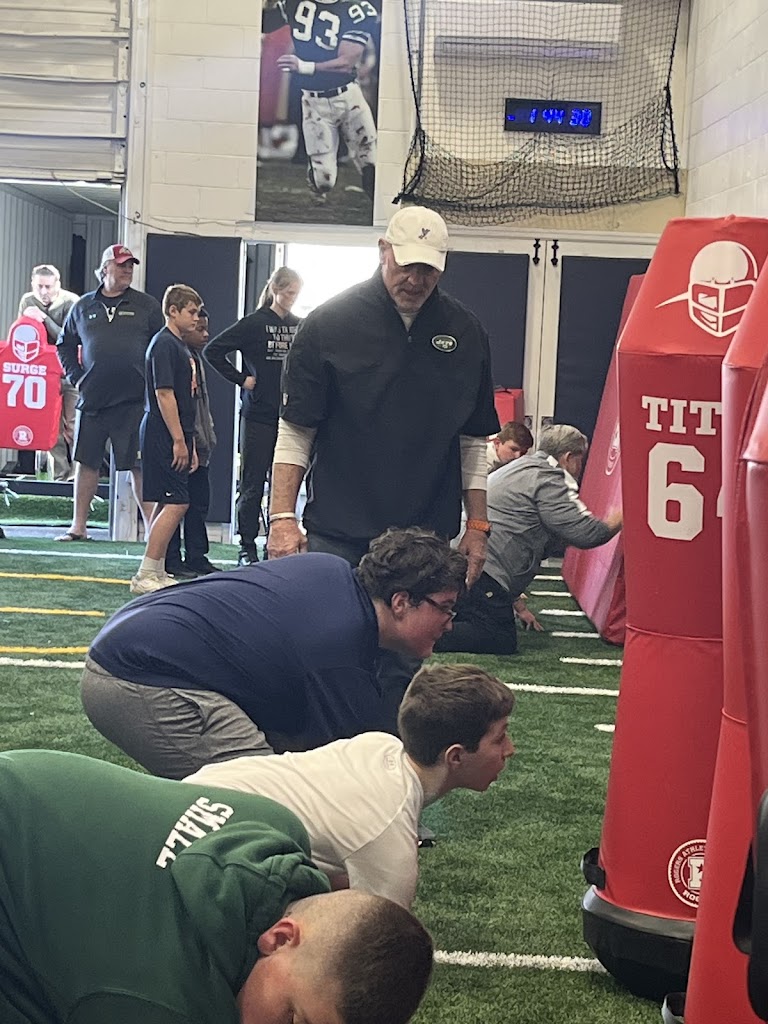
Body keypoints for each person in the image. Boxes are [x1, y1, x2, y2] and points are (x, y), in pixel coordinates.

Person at [267, 204, 499, 727]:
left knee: (400, 670)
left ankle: (385, 763)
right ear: (383, 251)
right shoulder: (328, 324)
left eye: (428, 269)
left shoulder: (466, 332)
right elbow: (296, 430)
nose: (415, 279)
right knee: (326, 656)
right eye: (406, 264)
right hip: (339, 529)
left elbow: (472, 440)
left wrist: (478, 526)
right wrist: (282, 518)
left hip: (426, 536)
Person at [0, 748, 433, 1024]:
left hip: (27, 779)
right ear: (280, 937)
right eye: (291, 1020)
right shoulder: (157, 997)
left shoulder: (277, 825)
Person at [81, 526, 467, 779]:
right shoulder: (338, 648)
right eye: (445, 607)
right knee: (273, 803)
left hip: (134, 644)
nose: (449, 623)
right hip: (137, 679)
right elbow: (350, 772)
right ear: (401, 602)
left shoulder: (330, 569)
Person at [185, 663, 515, 909]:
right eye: (499, 738)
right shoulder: (386, 828)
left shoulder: (379, 745)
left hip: (193, 799)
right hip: (196, 852)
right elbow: (381, 941)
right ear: (455, 756)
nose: (509, 749)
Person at [436, 424, 623, 655]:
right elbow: (587, 533)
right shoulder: (550, 477)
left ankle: (434, 626)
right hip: (482, 568)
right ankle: (426, 635)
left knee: (483, 621)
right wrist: (623, 515)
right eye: (580, 460)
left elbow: (520, 531)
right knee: (498, 637)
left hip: (466, 562)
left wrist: (518, 605)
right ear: (569, 457)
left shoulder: (524, 468)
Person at [55, 244, 164, 541]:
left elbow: (162, 345)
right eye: (121, 265)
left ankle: (153, 532)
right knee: (86, 461)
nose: (127, 270)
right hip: (94, 398)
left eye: (130, 265)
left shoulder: (147, 306)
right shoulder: (83, 306)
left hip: (135, 400)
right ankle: (78, 527)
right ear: (105, 269)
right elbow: (64, 345)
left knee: (138, 466)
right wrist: (77, 379)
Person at [204, 268, 301, 566]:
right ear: (275, 290)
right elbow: (213, 350)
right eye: (288, 293)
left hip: (288, 417)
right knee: (252, 483)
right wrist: (242, 378)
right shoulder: (254, 324)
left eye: (296, 294)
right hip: (258, 415)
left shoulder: (299, 325)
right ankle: (246, 545)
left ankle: (277, 543)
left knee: (283, 485)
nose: (292, 298)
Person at [130, 284, 203, 596]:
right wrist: (178, 440)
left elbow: (187, 399)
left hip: (174, 431)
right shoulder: (163, 345)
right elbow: (164, 394)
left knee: (168, 499)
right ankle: (146, 571)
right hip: (162, 431)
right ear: (173, 311)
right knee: (177, 501)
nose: (197, 318)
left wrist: (189, 441)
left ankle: (156, 569)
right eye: (191, 312)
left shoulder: (178, 346)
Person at [270, 0, 379, 203]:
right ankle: (316, 173)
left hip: (349, 98)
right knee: (324, 182)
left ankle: (381, 210)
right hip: (314, 102)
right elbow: (263, 23)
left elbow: (346, 64)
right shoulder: (293, 3)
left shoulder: (357, 9)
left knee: (371, 163)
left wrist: (305, 66)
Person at [166, 307, 219, 578]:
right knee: (177, 503)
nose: (205, 334)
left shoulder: (196, 358)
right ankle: (171, 557)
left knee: (198, 504)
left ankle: (197, 555)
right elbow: (179, 404)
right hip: (187, 442)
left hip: (200, 443)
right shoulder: (176, 354)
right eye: (200, 328)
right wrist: (188, 441)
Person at [17, 264, 79, 480]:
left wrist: (43, 318)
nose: (43, 292)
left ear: (57, 286)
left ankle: (79, 473)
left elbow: (67, 339)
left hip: (69, 372)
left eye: (48, 287)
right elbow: (21, 335)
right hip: (43, 374)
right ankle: (60, 474)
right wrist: (25, 319)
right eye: (39, 287)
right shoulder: (28, 301)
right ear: (32, 285)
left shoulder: (71, 302)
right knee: (50, 426)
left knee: (73, 424)